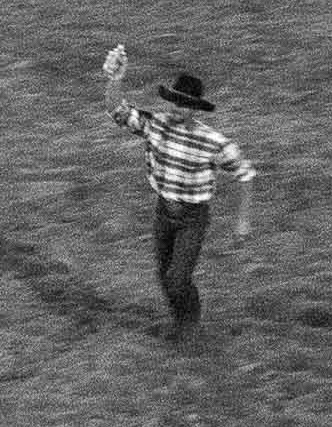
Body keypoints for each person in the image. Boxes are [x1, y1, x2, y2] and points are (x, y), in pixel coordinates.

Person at [101, 44, 257, 341]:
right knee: (164, 277)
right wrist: (115, 79)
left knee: (176, 278)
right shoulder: (155, 125)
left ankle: (190, 324)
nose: (175, 109)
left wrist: (242, 220)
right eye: (174, 101)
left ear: (195, 109)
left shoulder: (214, 143)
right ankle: (181, 321)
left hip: (192, 218)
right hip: (164, 211)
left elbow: (245, 174)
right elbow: (117, 111)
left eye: (183, 105)